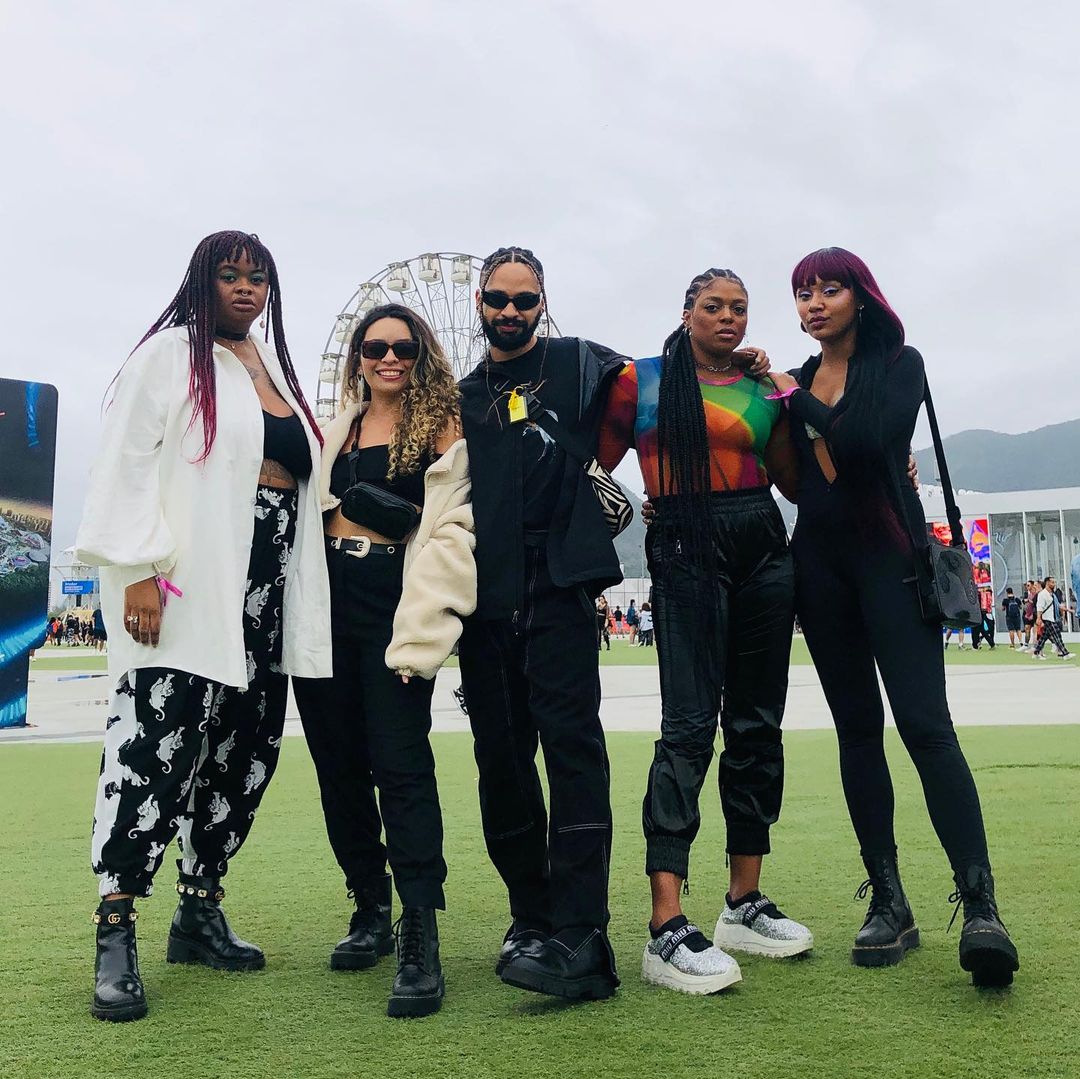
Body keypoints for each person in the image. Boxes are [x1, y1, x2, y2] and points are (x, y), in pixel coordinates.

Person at [75, 230, 331, 1022]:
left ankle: (198, 910)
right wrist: (139, 570)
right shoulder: (168, 357)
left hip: (266, 598)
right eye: (229, 274)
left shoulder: (273, 371)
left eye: (258, 277)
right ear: (202, 280)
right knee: (155, 748)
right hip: (185, 590)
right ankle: (115, 926)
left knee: (241, 755)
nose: (245, 288)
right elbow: (124, 464)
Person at [767, 247, 1018, 987]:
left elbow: (863, 441)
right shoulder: (796, 377)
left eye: (829, 289)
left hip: (892, 563)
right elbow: (793, 477)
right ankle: (889, 902)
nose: (814, 303)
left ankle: (981, 907)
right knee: (856, 731)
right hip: (821, 570)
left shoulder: (899, 365)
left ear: (861, 297)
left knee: (926, 727)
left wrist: (792, 397)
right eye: (803, 293)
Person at [599, 267, 811, 996]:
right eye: (714, 306)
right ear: (687, 311)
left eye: (740, 308)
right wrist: (643, 508)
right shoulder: (641, 380)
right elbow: (593, 465)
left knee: (756, 724)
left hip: (763, 542)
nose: (729, 317)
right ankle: (666, 926)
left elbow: (793, 482)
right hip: (685, 540)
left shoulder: (762, 386)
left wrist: (789, 394)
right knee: (689, 727)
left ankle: (743, 904)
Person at [293, 303, 474, 1018]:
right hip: (324, 599)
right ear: (358, 356)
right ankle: (368, 903)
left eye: (403, 346)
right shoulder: (339, 426)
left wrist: (424, 635)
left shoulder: (441, 425)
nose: (388, 357)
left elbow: (453, 531)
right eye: (375, 347)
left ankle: (418, 929)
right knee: (337, 765)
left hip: (394, 602)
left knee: (401, 765)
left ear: (422, 353)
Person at [456, 246, 626, 1001]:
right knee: (500, 761)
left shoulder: (582, 364)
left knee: (574, 754)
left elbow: (665, 387)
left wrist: (757, 373)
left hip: (560, 587)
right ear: (480, 303)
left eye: (525, 299)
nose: (511, 311)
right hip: (486, 594)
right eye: (498, 298)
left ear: (543, 303)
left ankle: (583, 931)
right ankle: (530, 915)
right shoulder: (461, 396)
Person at [1031, 576, 1073, 660]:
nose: (1054, 584)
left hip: (1052, 618)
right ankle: (1065, 653)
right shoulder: (1042, 594)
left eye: (1054, 582)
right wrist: (1039, 618)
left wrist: (1067, 610)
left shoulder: (1052, 594)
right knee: (1057, 636)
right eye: (1052, 582)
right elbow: (1039, 607)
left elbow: (1057, 605)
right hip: (1047, 619)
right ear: (1047, 583)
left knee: (1044, 637)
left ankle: (1036, 653)